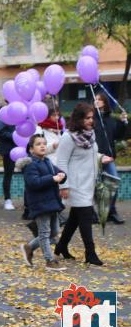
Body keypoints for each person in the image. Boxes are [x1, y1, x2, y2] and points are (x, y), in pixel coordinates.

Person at [55, 103, 113, 266]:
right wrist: (63, 185)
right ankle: (90, 253)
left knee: (75, 217)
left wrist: (101, 158)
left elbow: (91, 154)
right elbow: (61, 161)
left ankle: (61, 246)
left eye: (92, 117)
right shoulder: (68, 137)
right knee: (86, 216)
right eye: (87, 118)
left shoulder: (90, 134)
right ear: (79, 118)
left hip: (88, 182)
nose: (90, 121)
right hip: (75, 184)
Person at [17, 134, 67, 271]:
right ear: (32, 149)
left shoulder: (48, 162)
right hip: (40, 203)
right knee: (45, 233)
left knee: (54, 231)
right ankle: (49, 261)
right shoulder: (30, 164)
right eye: (38, 144)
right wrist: (52, 178)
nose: (43, 146)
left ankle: (29, 247)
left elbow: (57, 173)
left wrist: (62, 175)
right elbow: (33, 183)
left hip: (52, 203)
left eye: (44, 143)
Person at [94, 91, 127, 224]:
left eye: (99, 99)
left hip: (109, 158)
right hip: (95, 158)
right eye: (95, 99)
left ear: (105, 102)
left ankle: (111, 212)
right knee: (96, 187)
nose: (96, 101)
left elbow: (117, 135)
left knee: (114, 183)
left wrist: (123, 122)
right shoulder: (92, 119)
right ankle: (97, 213)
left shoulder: (109, 118)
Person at [0, 106, 16, 211]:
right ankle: (7, 200)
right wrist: (15, 135)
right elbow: (1, 132)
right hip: (9, 150)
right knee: (8, 174)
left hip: (21, 148)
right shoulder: (4, 115)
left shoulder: (20, 114)